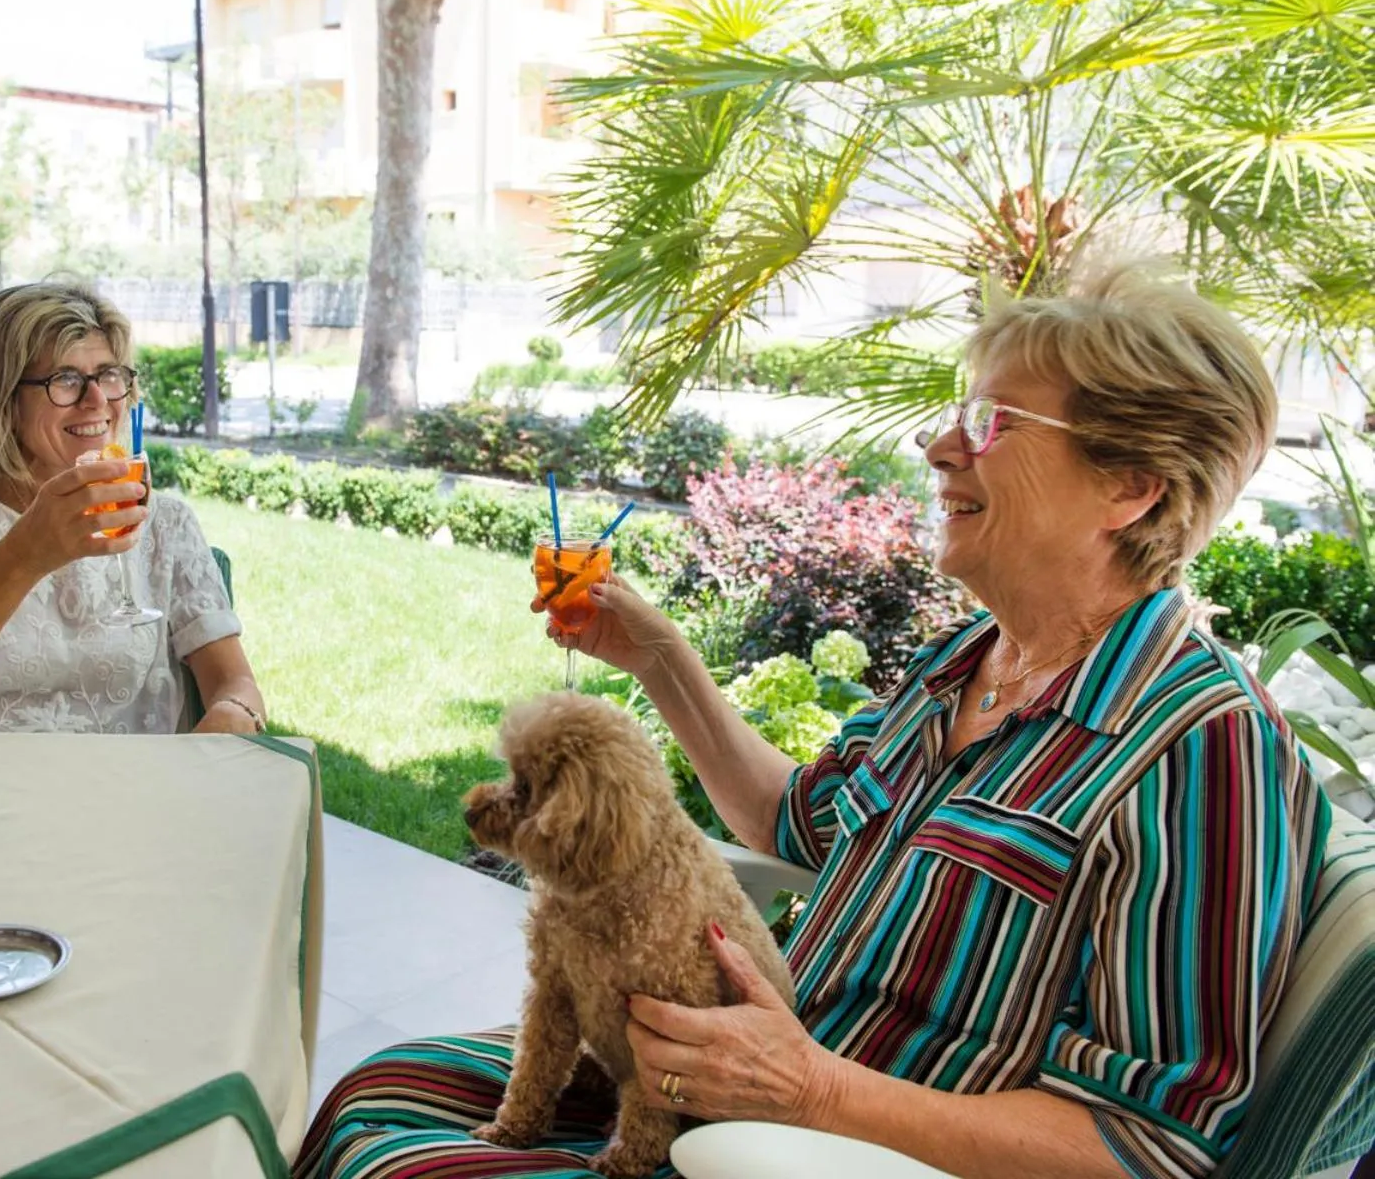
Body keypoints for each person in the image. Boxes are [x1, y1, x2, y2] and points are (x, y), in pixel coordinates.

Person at [295, 269, 1332, 1179]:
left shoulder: (1201, 754)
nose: (938, 445)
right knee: (379, 1091)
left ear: (1131, 489)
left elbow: (1147, 1148)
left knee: (406, 1161)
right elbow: (801, 822)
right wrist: (660, 659)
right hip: (734, 1091)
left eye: (993, 423)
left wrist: (814, 1091)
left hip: (837, 1150)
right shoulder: (965, 665)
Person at [0, 283, 265, 735]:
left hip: (131, 791)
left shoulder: (165, 523)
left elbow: (235, 681)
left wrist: (234, 713)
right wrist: (24, 556)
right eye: (66, 379)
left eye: (109, 374)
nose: (98, 401)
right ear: (2, 399)